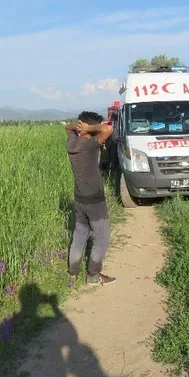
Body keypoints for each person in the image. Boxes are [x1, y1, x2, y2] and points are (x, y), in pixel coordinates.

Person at [65, 111, 116, 286]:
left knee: (80, 234)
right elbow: (107, 129)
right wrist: (90, 127)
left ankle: (72, 273)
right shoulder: (90, 145)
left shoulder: (72, 142)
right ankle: (93, 275)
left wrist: (79, 127)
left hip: (79, 198)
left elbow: (67, 127)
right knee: (102, 237)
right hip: (95, 199)